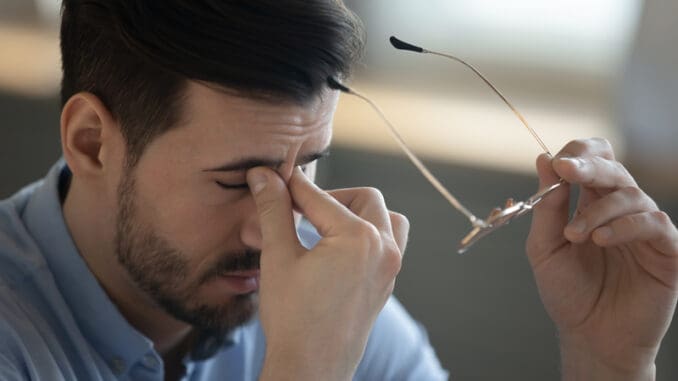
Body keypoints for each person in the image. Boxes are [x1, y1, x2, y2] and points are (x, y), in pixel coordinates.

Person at [0, 1, 676, 381]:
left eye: (308, 167)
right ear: (91, 141)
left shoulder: (327, 305)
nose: (277, 232)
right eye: (239, 180)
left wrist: (607, 357)